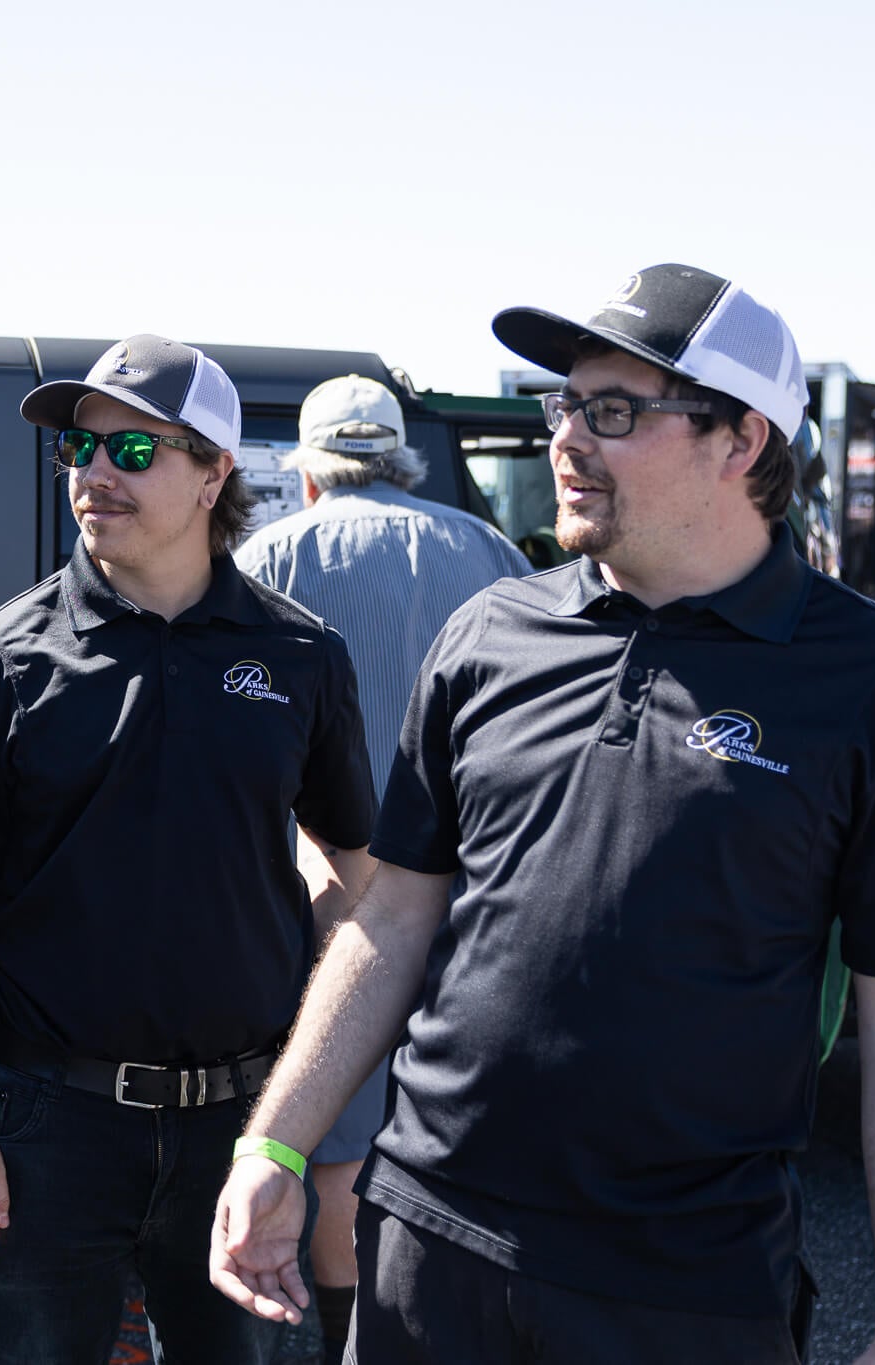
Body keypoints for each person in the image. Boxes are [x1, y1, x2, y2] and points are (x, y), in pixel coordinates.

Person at [211, 264, 875, 1364]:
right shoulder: (488, 631)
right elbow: (392, 918)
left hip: (684, 1290)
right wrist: (278, 1146)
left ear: (738, 442)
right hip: (426, 1248)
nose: (566, 440)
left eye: (614, 412)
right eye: (563, 405)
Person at [0, 334, 378, 1364]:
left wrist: (309, 1062)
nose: (93, 473)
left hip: (235, 1128)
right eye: (78, 448)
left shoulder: (299, 657)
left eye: (134, 451)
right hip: (44, 1124)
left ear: (214, 474)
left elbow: (350, 868)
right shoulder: (3, 658)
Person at [231, 373, 528, 1365]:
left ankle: (347, 1343)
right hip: (473, 883)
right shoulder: (483, 547)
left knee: (336, 1130)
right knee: (451, 1116)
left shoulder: (271, 555)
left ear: (307, 473)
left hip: (330, 898)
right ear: (401, 454)